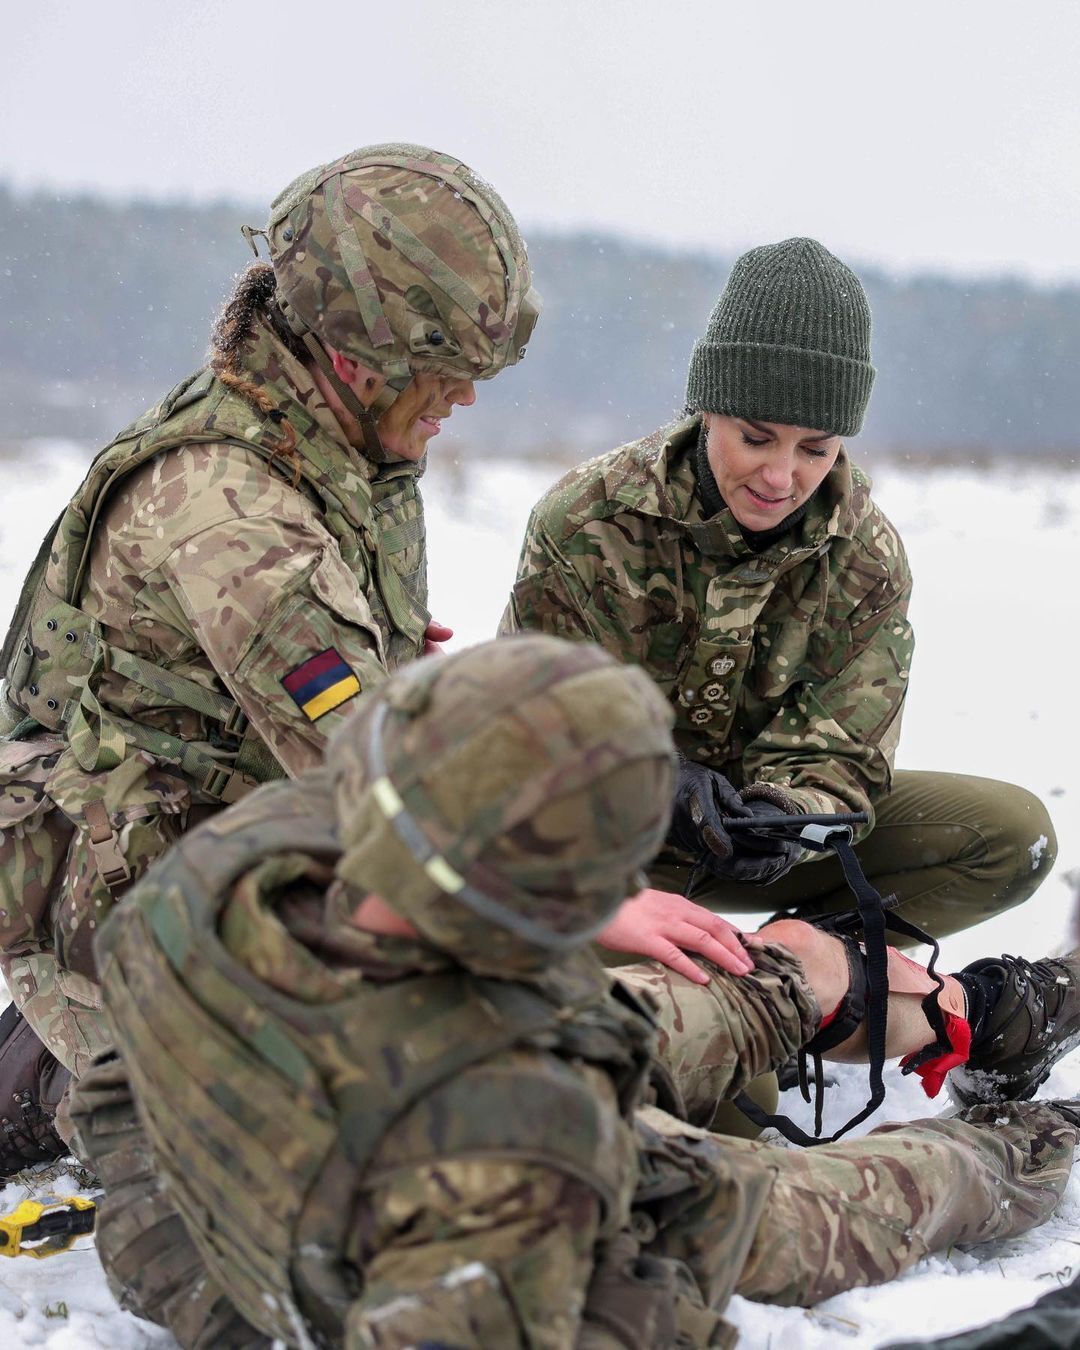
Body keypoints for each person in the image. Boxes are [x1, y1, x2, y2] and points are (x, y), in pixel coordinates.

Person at [69, 634, 1080, 1348]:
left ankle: (999, 1012)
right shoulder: (527, 1138)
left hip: (314, 1140)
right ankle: (1046, 1128)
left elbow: (110, 1095)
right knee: (882, 1196)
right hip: (448, 1186)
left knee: (777, 974)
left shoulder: (226, 867)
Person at [0, 141, 542, 1162]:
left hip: (235, 857)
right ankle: (71, 1077)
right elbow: (387, 799)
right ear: (355, 356)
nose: (464, 399)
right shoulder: (233, 514)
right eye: (444, 372)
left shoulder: (335, 438)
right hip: (145, 907)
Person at [499, 237, 1057, 941]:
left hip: (760, 850)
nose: (779, 476)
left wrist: (784, 816)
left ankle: (795, 978)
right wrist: (654, 784)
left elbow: (845, 754)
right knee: (617, 1021)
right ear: (708, 411)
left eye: (815, 450)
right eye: (756, 438)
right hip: (600, 851)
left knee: (1009, 838)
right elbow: (524, 720)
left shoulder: (868, 556)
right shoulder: (588, 518)